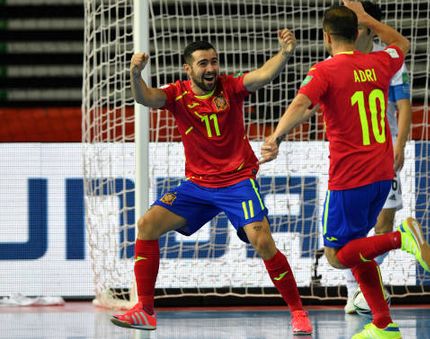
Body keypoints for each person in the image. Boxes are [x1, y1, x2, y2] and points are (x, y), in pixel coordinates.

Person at [110, 29, 313, 336]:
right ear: (187, 69)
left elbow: (260, 77)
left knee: (262, 243)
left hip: (238, 182)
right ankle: (146, 310)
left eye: (214, 62)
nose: (211, 68)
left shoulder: (229, 87)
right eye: (203, 63)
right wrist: (135, 75)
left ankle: (298, 312)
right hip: (197, 186)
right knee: (147, 225)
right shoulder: (177, 94)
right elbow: (146, 98)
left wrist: (284, 54)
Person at [260, 2, 430, 339]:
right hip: (383, 173)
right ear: (357, 33)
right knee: (358, 247)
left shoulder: (324, 71)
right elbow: (403, 44)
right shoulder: (379, 62)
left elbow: (300, 105)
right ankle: (384, 324)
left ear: (326, 37)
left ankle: (403, 238)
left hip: (350, 177)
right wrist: (370, 19)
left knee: (337, 257)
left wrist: (276, 136)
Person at [343, 0, 413, 315]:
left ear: (368, 26)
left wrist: (400, 145)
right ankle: (353, 291)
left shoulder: (390, 61)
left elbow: (403, 106)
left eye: (356, 22)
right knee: (351, 230)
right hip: (350, 158)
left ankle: (367, 288)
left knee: (385, 221)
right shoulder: (339, 59)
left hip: (384, 153)